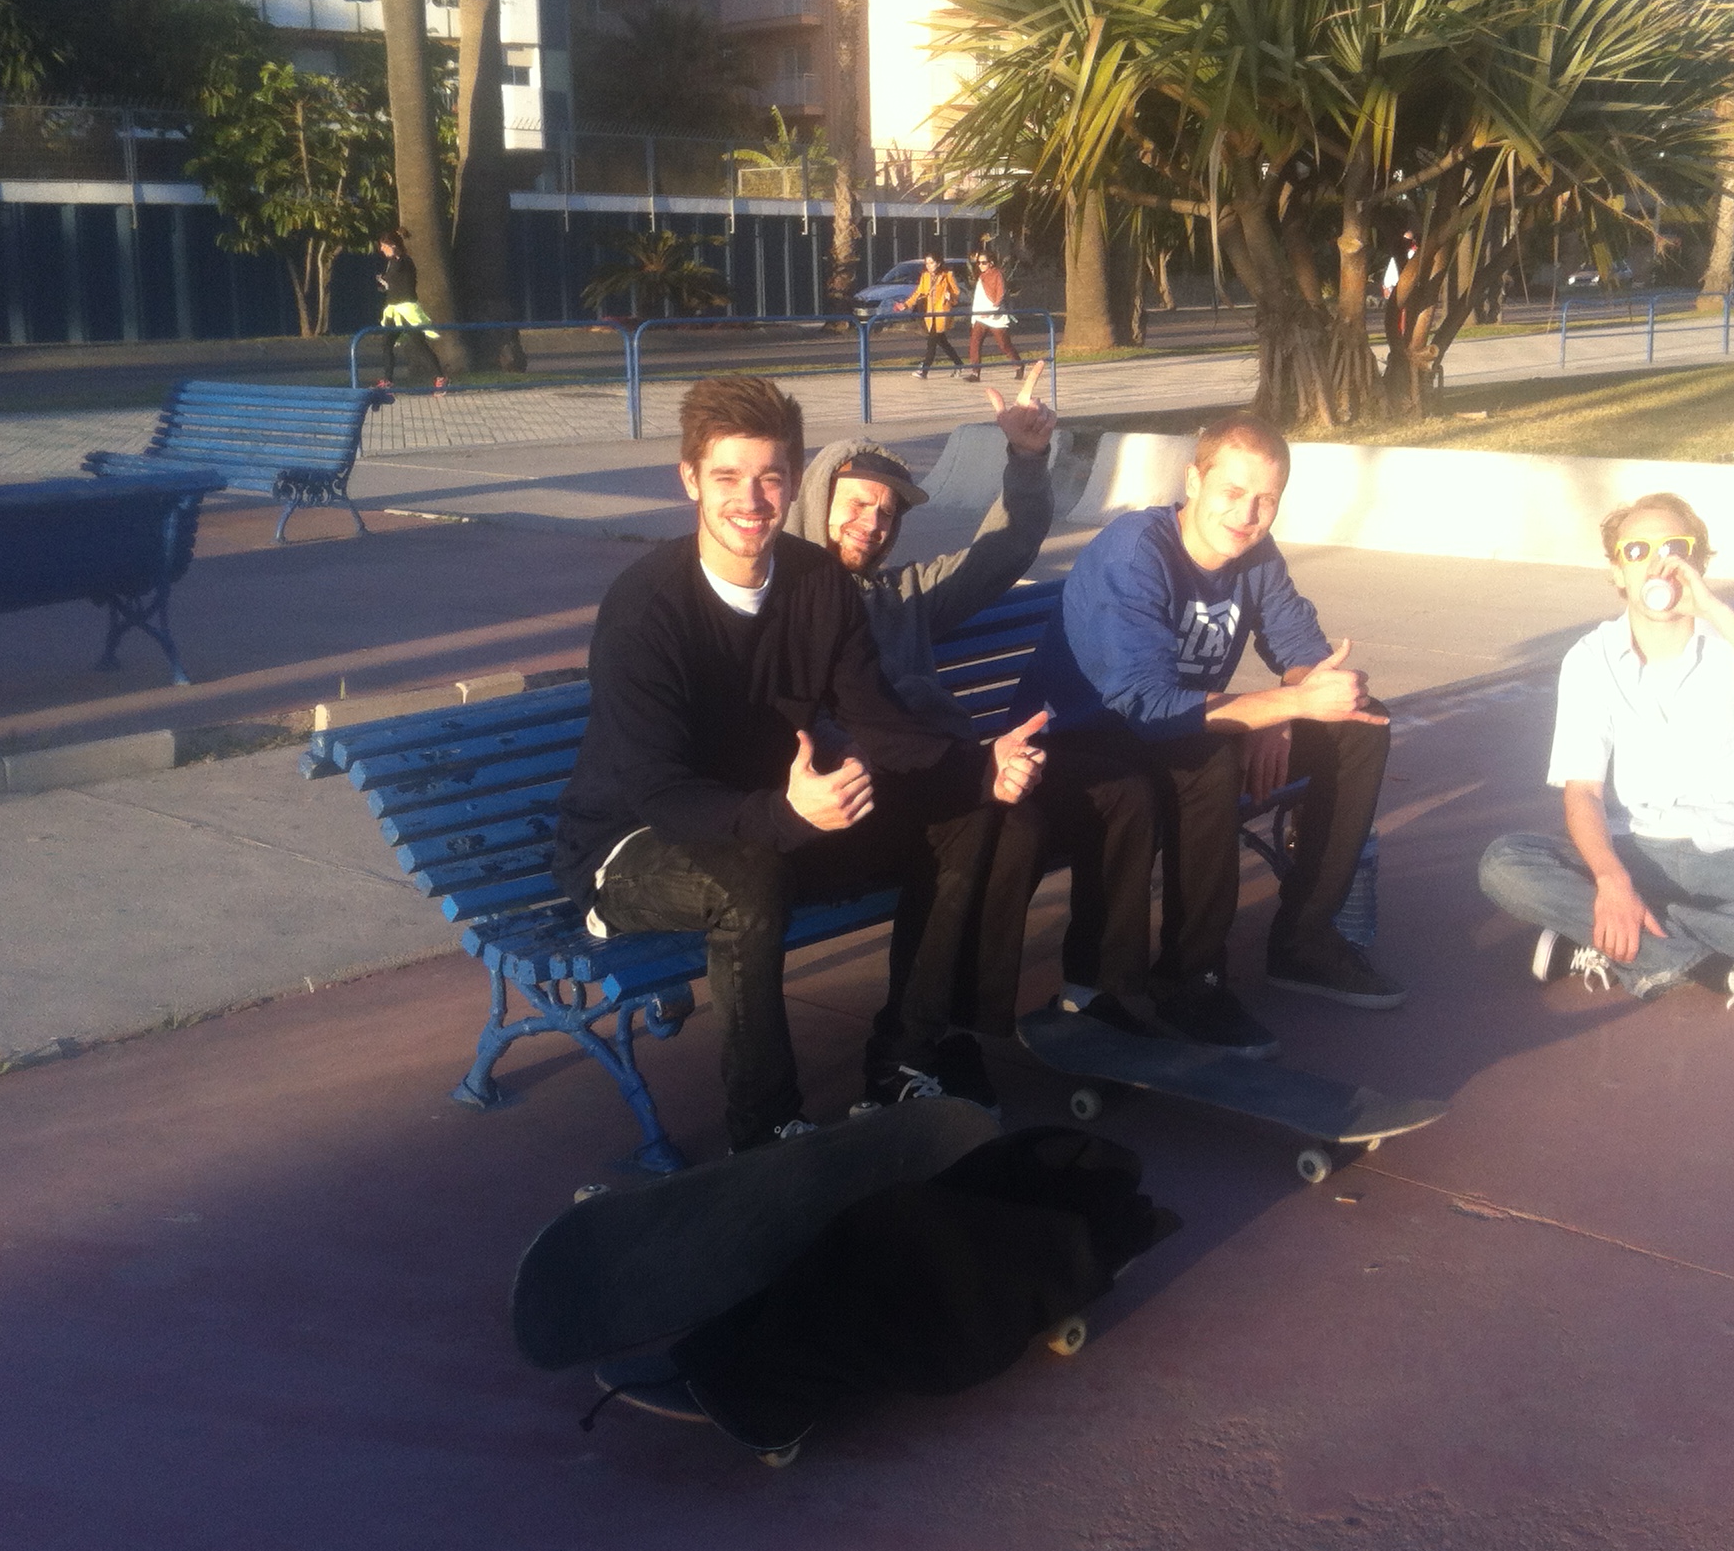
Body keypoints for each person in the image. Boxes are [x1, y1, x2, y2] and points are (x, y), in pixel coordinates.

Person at [550, 376, 1048, 1152]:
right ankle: (766, 1127)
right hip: (631, 844)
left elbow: (878, 724)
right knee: (750, 877)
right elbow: (657, 788)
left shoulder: (819, 584)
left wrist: (978, 768)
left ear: (792, 480)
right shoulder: (645, 608)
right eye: (726, 478)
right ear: (689, 479)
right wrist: (784, 818)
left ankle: (903, 1062)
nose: (751, 501)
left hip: (774, 818)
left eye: (770, 477)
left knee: (964, 814)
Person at [792, 367, 1162, 1098]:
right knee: (1011, 827)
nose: (874, 522)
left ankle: (1097, 995)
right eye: (858, 503)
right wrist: (966, 766)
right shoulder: (783, 605)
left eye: (889, 512)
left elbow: (1006, 551)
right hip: (885, 792)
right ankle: (943, 1035)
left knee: (1123, 792)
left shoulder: (904, 596)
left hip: (958, 767)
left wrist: (1025, 459)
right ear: (816, 500)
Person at [1032, 412, 1401, 1061]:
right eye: (1233, 493)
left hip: (1174, 728)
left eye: (1267, 499)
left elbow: (1302, 649)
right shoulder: (1137, 551)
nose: (1248, 514)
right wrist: (1272, 705)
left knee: (1358, 726)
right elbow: (1146, 705)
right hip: (1086, 739)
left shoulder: (1253, 550)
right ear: (1194, 480)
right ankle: (1186, 981)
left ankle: (1304, 941)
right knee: (1207, 764)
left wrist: (1283, 713)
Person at [1477, 492, 1734, 1015]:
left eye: (1674, 547)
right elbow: (1584, 791)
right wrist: (1613, 880)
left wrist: (1714, 610)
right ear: (1617, 573)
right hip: (1643, 849)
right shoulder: (1592, 659)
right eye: (1635, 551)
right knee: (1504, 861)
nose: (1655, 562)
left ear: (1699, 562)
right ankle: (1720, 965)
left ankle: (1613, 943)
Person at [374, 232, 440, 382]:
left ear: (393, 246)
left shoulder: (404, 260)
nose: (382, 250)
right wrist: (383, 284)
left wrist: (395, 255)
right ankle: (388, 380)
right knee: (387, 344)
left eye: (384, 246)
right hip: (393, 309)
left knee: (419, 344)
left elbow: (402, 274)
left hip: (407, 309)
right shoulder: (391, 262)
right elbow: (395, 282)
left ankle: (440, 376)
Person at [905, 249, 963, 379]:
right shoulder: (925, 276)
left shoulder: (947, 274)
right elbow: (918, 292)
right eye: (927, 263)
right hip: (930, 314)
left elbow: (956, 292)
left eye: (931, 263)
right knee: (943, 342)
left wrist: (951, 296)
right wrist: (906, 304)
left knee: (932, 342)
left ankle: (924, 370)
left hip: (942, 313)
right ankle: (959, 364)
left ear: (938, 263)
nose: (929, 266)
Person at [966, 247, 1020, 381]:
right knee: (975, 343)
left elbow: (1000, 294)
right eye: (978, 263)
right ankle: (975, 373)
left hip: (995, 317)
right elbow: (978, 297)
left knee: (1004, 345)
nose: (980, 265)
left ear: (991, 263)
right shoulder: (981, 276)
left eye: (983, 263)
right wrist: (975, 316)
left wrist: (991, 310)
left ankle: (1018, 365)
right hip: (980, 317)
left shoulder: (997, 275)